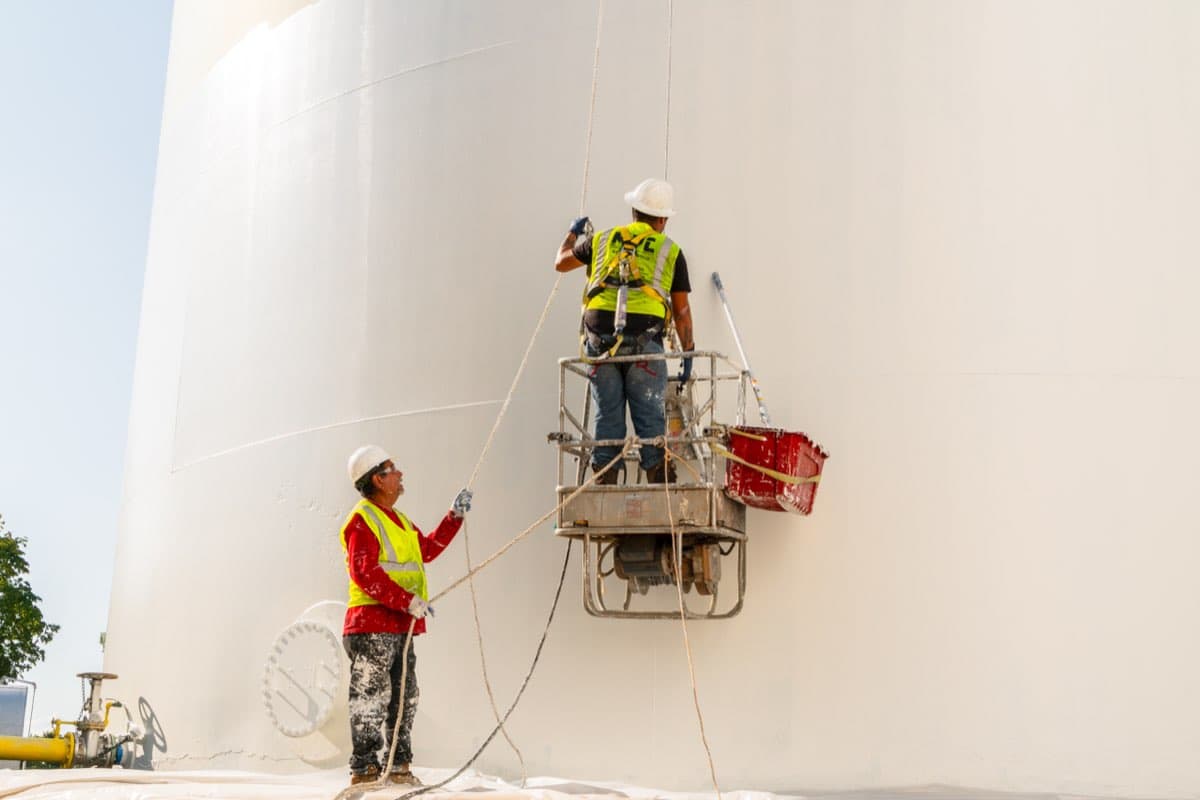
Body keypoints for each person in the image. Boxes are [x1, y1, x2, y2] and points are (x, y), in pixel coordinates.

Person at [340, 444, 472, 787]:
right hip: (371, 625)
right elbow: (364, 573)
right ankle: (365, 769)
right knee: (370, 696)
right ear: (379, 480)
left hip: (399, 624)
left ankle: (398, 766)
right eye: (393, 469)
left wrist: (454, 517)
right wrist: (406, 601)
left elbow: (426, 550)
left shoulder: (397, 520)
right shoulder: (362, 521)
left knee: (404, 697)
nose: (401, 475)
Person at [554, 178, 695, 483]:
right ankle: (659, 483)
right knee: (649, 414)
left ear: (634, 211)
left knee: (607, 412)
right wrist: (688, 353)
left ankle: (604, 480)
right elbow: (681, 311)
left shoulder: (602, 239)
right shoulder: (670, 250)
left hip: (599, 337)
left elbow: (561, 263)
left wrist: (573, 233)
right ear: (662, 219)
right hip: (645, 339)